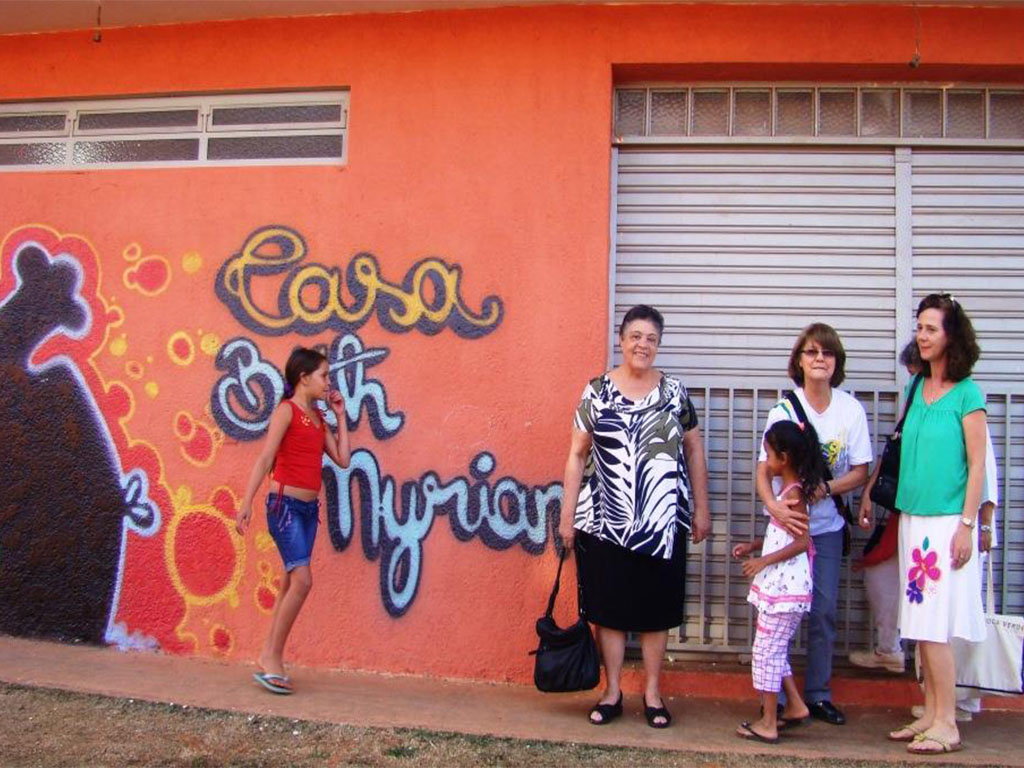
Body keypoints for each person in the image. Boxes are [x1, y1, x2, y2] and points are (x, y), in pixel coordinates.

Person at [558, 304, 711, 729]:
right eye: (636, 336)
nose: (643, 345)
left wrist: (702, 508)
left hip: (663, 523)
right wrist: (567, 517)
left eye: (651, 339)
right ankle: (611, 692)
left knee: (656, 609)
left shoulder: (675, 393)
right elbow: (576, 455)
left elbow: (694, 450)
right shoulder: (596, 391)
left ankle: (653, 693)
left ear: (658, 345)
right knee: (608, 609)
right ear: (621, 340)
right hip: (604, 521)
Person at [756, 323, 872, 726]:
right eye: (812, 352)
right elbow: (762, 468)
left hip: (826, 529)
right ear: (799, 361)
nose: (820, 359)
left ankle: (818, 694)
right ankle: (775, 699)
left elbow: (860, 470)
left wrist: (826, 488)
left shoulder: (850, 410)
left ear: (837, 362)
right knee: (776, 615)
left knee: (822, 612)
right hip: (786, 529)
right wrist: (773, 506)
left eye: (828, 353)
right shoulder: (783, 411)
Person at [885, 293, 987, 755]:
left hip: (947, 522)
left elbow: (978, 464)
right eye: (920, 327)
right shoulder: (916, 386)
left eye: (931, 329)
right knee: (920, 623)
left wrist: (967, 524)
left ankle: (948, 721)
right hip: (915, 517)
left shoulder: (968, 394)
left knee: (935, 625)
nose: (922, 336)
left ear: (951, 336)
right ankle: (930, 712)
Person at [235, 347, 351, 695]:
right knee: (302, 581)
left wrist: (341, 416)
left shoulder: (318, 419)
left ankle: (267, 653)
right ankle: (273, 656)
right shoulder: (287, 411)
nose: (328, 382)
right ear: (304, 378)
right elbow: (265, 457)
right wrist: (247, 501)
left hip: (307, 511)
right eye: (324, 375)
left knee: (290, 582)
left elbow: (343, 459)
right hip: (283, 506)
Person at [732, 420, 825, 743]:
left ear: (783, 459)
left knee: (766, 653)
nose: (765, 462)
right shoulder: (786, 492)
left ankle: (768, 722)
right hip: (780, 587)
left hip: (786, 590)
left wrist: (762, 561)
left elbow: (802, 541)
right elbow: (782, 534)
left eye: (768, 455)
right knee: (774, 648)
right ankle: (795, 705)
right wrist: (755, 546)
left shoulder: (793, 494)